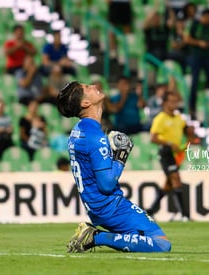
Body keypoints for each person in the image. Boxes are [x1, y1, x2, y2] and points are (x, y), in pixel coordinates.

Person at [57, 81, 171, 253]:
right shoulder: (94, 136)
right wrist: (121, 155)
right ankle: (95, 237)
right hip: (110, 207)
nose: (93, 86)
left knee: (139, 238)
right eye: (87, 88)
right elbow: (107, 184)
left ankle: (96, 235)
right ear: (85, 103)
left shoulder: (78, 131)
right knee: (161, 244)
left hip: (96, 207)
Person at [147, 91, 192, 222]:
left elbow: (187, 130)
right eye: (172, 101)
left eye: (176, 101)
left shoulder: (179, 118)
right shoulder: (160, 118)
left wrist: (190, 134)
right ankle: (185, 215)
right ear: (165, 103)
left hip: (176, 154)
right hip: (166, 152)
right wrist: (169, 144)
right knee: (176, 179)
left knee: (168, 184)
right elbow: (153, 138)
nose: (175, 104)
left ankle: (150, 211)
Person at [184, 8, 209, 117]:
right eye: (205, 16)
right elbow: (186, 38)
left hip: (208, 56)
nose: (208, 19)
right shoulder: (194, 24)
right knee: (195, 81)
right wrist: (199, 43)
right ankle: (192, 106)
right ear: (201, 16)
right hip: (196, 55)